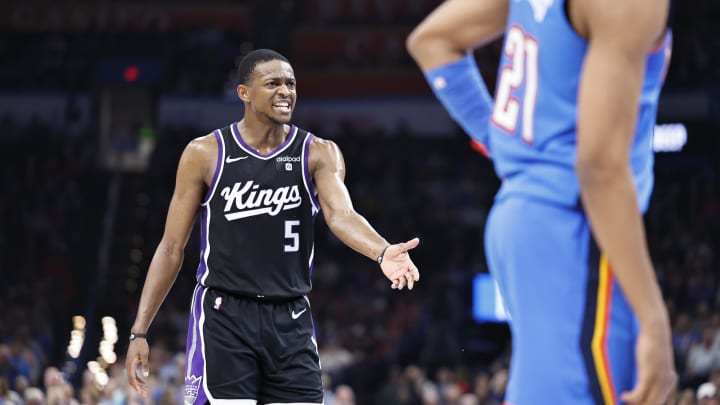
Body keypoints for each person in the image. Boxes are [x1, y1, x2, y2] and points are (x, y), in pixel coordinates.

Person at [407, 0, 676, 404]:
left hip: (522, 214)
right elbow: (599, 167)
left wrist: (503, 144)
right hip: (574, 227)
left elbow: (432, 41)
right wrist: (655, 321)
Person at [125, 48, 421, 405]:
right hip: (224, 314)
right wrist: (139, 331)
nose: (285, 91)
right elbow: (171, 248)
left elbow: (341, 214)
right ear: (244, 93)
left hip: (290, 315)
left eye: (291, 83)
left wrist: (383, 251)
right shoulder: (205, 153)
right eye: (273, 83)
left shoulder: (318, 152)